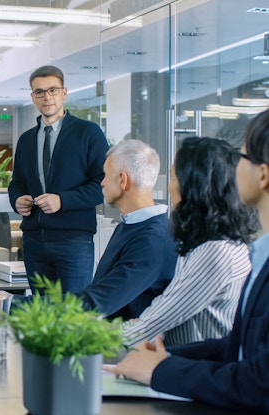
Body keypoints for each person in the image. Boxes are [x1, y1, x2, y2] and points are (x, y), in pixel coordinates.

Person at [107, 109, 269, 413]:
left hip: (208, 394)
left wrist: (158, 368)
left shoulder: (217, 253)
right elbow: (233, 344)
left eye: (243, 157)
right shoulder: (246, 251)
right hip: (202, 383)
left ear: (262, 175)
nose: (235, 168)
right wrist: (163, 360)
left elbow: (257, 382)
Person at [122, 136, 257, 347]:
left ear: (194, 188)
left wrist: (84, 337)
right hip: (184, 365)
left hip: (195, 370)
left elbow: (150, 325)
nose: (168, 188)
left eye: (174, 178)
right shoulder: (210, 244)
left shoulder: (215, 253)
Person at [8, 65, 109, 293]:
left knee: (74, 314)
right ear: (32, 97)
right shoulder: (26, 140)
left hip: (74, 242)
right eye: (40, 92)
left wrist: (62, 200)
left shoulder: (88, 133)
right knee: (42, 316)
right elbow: (17, 183)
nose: (47, 97)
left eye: (53, 90)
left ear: (64, 93)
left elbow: (103, 184)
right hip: (34, 241)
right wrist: (17, 199)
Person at [76, 139, 177, 319]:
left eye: (106, 175)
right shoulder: (131, 224)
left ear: (123, 180)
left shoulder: (153, 240)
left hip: (127, 344)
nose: (102, 183)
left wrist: (13, 304)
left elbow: (98, 303)